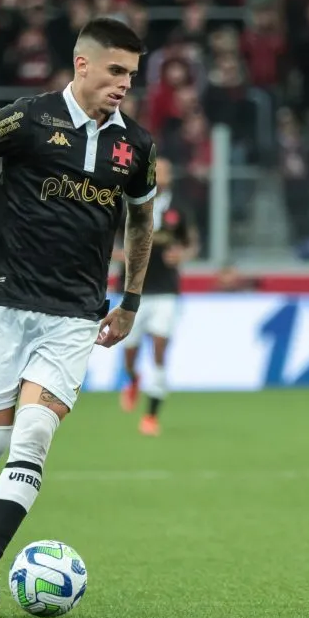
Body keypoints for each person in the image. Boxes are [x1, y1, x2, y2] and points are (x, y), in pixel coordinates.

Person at [0, 17, 157, 609]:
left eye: (132, 73)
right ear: (83, 64)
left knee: (36, 433)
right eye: (115, 70)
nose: (124, 83)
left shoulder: (136, 147)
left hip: (74, 315)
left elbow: (142, 222)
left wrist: (129, 302)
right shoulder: (28, 118)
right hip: (6, 303)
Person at [117, 157, 198, 436]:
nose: (163, 175)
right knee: (129, 355)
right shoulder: (129, 201)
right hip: (132, 290)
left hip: (166, 291)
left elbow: (192, 243)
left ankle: (151, 416)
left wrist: (183, 255)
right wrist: (119, 255)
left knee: (160, 351)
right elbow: (108, 238)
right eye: (159, 170)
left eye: (167, 171)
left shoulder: (178, 208)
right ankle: (133, 379)